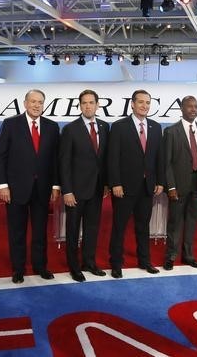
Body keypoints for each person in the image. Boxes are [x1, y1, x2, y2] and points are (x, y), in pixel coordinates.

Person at [0, 89, 60, 283]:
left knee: (40, 231)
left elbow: (56, 159)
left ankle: (41, 266)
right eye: (33, 101)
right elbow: (1, 156)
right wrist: (3, 185)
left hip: (43, 189)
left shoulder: (52, 126)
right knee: (17, 231)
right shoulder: (11, 124)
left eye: (40, 102)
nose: (36, 105)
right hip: (15, 189)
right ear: (25, 103)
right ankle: (18, 269)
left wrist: (56, 185)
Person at [107, 89, 164, 278]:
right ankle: (116, 263)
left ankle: (144, 260)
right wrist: (115, 183)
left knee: (143, 226)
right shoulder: (119, 126)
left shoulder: (156, 127)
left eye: (148, 103)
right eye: (140, 102)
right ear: (132, 104)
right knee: (119, 227)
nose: (144, 106)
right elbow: (112, 158)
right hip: (124, 187)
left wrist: (160, 181)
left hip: (148, 187)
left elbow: (158, 159)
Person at [59, 89, 110, 282]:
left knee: (92, 228)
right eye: (84, 103)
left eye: (91, 102)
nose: (88, 106)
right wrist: (67, 190)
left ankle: (89, 262)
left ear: (97, 105)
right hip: (76, 191)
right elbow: (63, 162)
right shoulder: (70, 129)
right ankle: (74, 266)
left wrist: (105, 183)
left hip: (97, 190)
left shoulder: (105, 127)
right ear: (80, 106)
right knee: (72, 230)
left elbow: (104, 159)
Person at [162, 96, 197, 270]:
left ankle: (188, 255)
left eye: (196, 106)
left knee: (192, 221)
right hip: (178, 185)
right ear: (182, 109)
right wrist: (171, 186)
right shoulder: (171, 131)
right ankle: (171, 256)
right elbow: (166, 162)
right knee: (175, 222)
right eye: (189, 106)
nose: (193, 109)